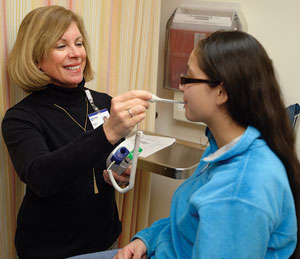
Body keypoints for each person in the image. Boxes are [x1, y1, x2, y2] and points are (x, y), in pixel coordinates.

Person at [114, 31, 300, 258]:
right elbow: (185, 225)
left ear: (221, 92)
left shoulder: (239, 191)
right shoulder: (222, 147)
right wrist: (147, 239)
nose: (181, 86)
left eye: (189, 78)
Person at [1, 5, 152, 259]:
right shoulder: (21, 118)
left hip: (105, 242)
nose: (76, 54)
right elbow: (41, 177)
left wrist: (122, 173)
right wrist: (107, 132)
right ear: (36, 59)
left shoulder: (104, 103)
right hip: (50, 250)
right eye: (61, 46)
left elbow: (116, 160)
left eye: (79, 43)